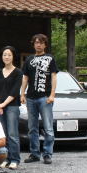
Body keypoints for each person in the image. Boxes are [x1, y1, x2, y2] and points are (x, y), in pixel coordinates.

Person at [21, 33, 58, 165]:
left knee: (48, 128)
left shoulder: (50, 58)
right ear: (33, 44)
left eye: (41, 42)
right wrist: (22, 94)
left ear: (45, 45)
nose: (38, 45)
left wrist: (52, 95)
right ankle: (35, 154)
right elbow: (25, 78)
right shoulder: (29, 59)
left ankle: (47, 154)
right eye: (36, 42)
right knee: (32, 128)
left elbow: (54, 76)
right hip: (31, 98)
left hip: (45, 98)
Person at [0, 46, 23, 170]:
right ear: (2, 57)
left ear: (13, 57)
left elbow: (14, 91)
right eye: (4, 54)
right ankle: (4, 158)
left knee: (12, 134)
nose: (7, 57)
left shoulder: (18, 72)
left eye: (9, 55)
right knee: (1, 135)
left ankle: (15, 159)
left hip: (12, 106)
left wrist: (3, 104)